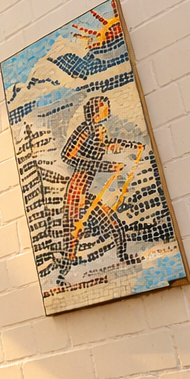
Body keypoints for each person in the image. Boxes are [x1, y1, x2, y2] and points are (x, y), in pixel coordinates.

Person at [58, 96, 139, 285]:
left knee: (113, 221)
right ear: (96, 110)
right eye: (104, 106)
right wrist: (107, 167)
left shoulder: (100, 130)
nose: (108, 108)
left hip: (87, 190)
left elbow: (104, 145)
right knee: (73, 235)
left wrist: (124, 146)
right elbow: (67, 156)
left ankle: (123, 256)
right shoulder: (84, 130)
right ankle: (62, 275)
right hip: (77, 190)